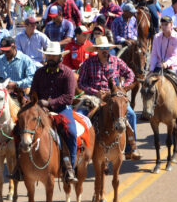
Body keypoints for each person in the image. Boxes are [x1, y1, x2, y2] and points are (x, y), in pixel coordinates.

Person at [77, 36, 140, 160]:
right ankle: (80, 148)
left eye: (106, 48)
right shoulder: (88, 63)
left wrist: (122, 89)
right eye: (101, 48)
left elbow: (130, 74)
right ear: (97, 50)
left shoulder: (117, 61)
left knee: (131, 115)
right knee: (80, 116)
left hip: (114, 97)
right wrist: (95, 92)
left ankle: (130, 148)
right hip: (93, 98)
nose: (104, 50)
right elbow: (81, 83)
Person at [28, 42, 79, 182]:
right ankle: (19, 167)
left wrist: (49, 103)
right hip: (40, 108)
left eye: (53, 56)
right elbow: (34, 92)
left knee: (72, 132)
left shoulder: (68, 73)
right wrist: (38, 103)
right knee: (20, 128)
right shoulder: (39, 73)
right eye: (48, 55)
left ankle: (70, 168)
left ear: (59, 57)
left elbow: (69, 98)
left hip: (62, 109)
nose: (50, 58)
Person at [150, 16, 177, 115]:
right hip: (159, 65)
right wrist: (152, 70)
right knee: (147, 85)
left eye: (166, 24)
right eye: (163, 24)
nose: (164, 27)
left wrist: (166, 63)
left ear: (171, 25)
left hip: (175, 66)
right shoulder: (156, 37)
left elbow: (175, 55)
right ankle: (147, 109)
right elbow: (154, 54)